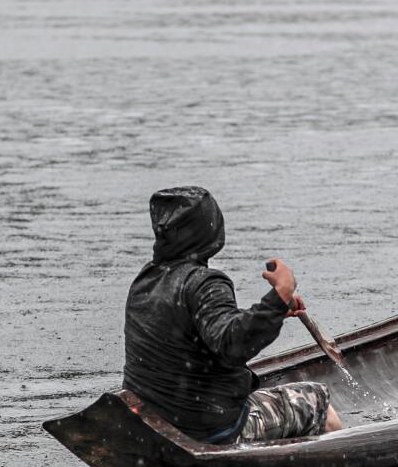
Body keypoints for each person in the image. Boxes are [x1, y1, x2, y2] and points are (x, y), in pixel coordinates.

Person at [122, 186, 344, 445]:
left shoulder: (145, 280)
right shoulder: (205, 283)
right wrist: (281, 293)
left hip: (154, 424)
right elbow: (233, 343)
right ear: (210, 230)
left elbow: (202, 326)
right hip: (208, 429)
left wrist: (275, 310)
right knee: (319, 399)